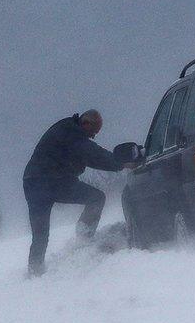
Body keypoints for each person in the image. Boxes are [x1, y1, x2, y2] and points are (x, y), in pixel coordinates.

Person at [23, 110, 133, 277]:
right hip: (45, 183)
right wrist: (122, 163)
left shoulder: (69, 130)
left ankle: (35, 271)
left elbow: (90, 154)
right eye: (93, 132)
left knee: (40, 233)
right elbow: (93, 154)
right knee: (95, 198)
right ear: (86, 124)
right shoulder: (72, 135)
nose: (93, 136)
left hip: (41, 182)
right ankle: (83, 239)